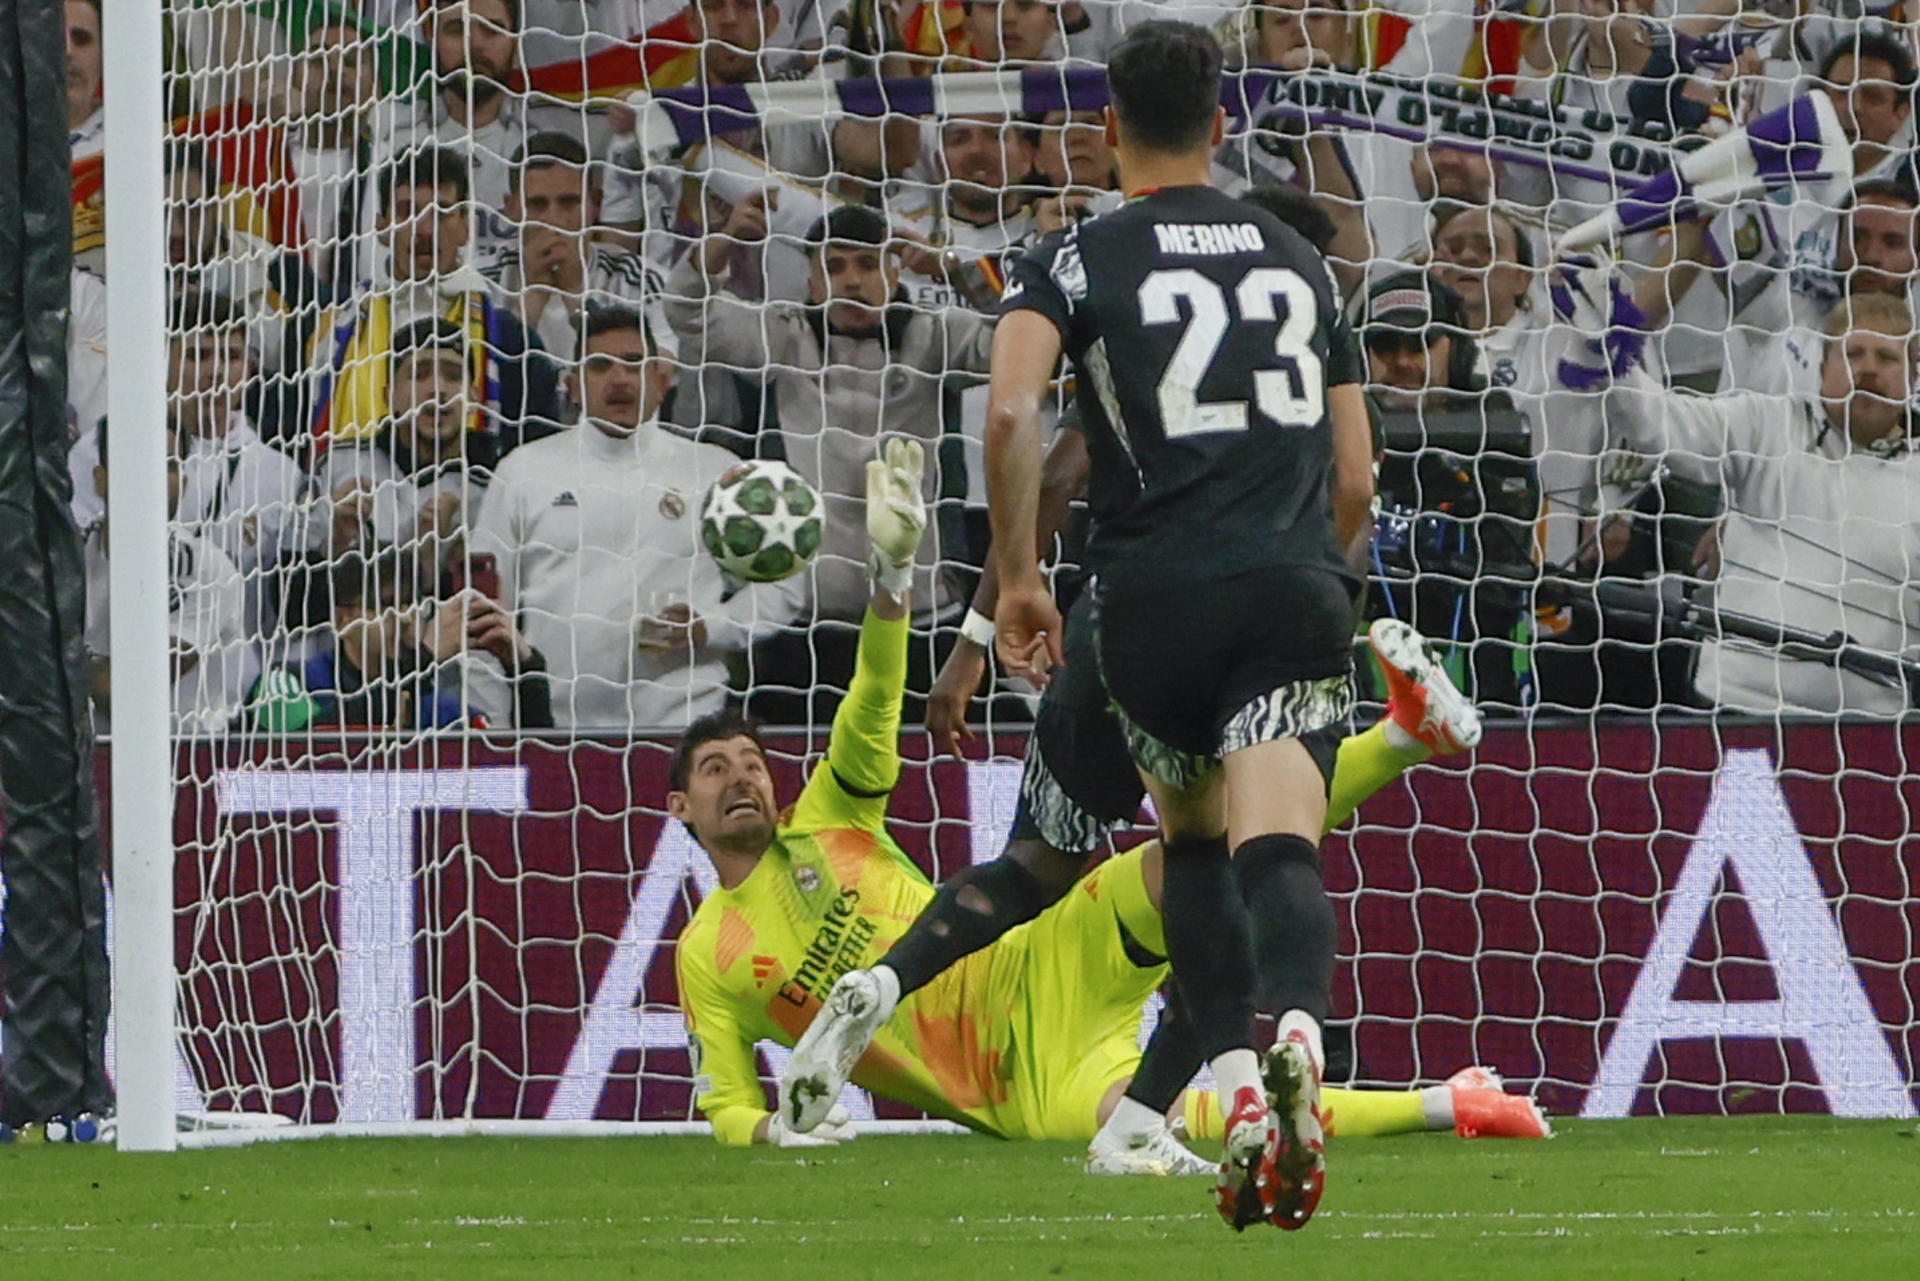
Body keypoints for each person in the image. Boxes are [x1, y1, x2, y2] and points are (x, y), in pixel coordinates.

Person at [672, 455, 1545, 1152]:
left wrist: (895, 578)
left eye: (751, 760)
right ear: (681, 806)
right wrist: (775, 1128)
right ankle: (1444, 1103)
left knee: (1194, 861)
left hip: (1039, 952)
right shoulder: (709, 951)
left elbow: (869, 697)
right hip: (1014, 1076)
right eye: (715, 769)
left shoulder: (829, 819)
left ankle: (1404, 734)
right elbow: (726, 1099)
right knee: (1152, 1112)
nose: (742, 776)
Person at [983, 22, 1376, 1230]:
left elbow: (1010, 416)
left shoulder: (1077, 256)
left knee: (1194, 846)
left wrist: (1019, 579)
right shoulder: (1301, 260)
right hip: (1294, 584)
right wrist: (1309, 571)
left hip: (1151, 598)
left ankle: (1236, 1088)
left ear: (1108, 129)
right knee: (1282, 850)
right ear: (1220, 125)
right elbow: (1358, 477)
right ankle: (1301, 1031)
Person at [663, 204, 995, 713]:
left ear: (895, 271)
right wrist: (725, 240)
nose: (851, 281)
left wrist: (954, 269)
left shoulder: (937, 335)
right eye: (835, 268)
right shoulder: (786, 335)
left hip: (924, 616)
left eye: (866, 265)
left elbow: (1025, 337)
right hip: (811, 623)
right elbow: (686, 313)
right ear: (813, 283)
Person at [470, 305, 803, 729]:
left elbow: (787, 583)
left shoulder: (715, 470)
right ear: (573, 387)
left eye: (634, 364)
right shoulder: (522, 471)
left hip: (688, 728)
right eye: (600, 365)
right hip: (555, 728)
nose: (619, 378)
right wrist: (492, 730)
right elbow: (484, 610)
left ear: (661, 381)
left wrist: (712, 627)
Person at [1603, 291, 1920, 717]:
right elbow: (1658, 423)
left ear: (1913, 377)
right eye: (1852, 353)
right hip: (1738, 712)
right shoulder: (1765, 424)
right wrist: (1608, 354)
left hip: (1870, 733)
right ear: (1823, 366)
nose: (1866, 368)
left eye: (1885, 357)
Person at [309, 146, 560, 452]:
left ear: (467, 225)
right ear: (382, 227)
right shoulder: (335, 332)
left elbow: (537, 457)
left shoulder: (511, 343)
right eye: (408, 212)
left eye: (441, 213)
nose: (425, 230)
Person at [83, 422, 256, 736]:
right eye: (135, 460)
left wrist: (49, 655)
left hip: (191, 763)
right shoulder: (67, 560)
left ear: (184, 482)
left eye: (168, 465)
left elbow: (130, 690)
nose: (153, 477)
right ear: (100, 479)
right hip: (81, 759)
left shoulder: (206, 569)